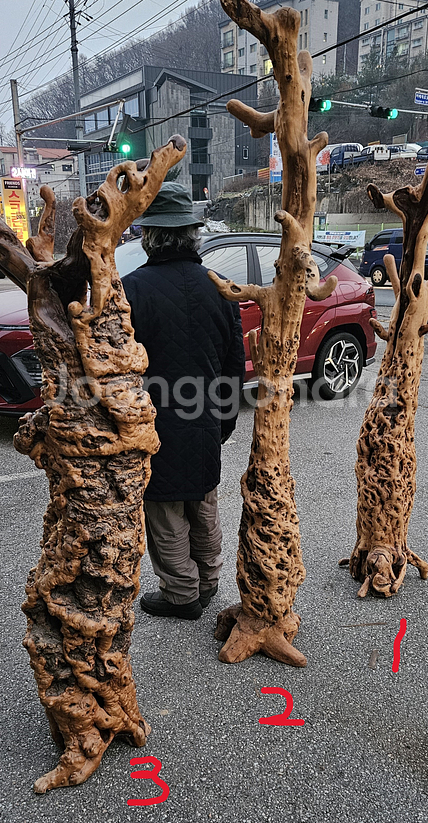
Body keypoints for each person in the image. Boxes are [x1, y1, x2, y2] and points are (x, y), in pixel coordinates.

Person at [122, 182, 245, 620]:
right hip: (207, 415)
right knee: (203, 502)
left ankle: (181, 594)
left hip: (153, 422)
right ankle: (208, 584)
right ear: (193, 234)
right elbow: (235, 362)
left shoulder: (130, 290)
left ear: (150, 236)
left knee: (166, 510)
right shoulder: (219, 287)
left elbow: (116, 364)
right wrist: (225, 419)